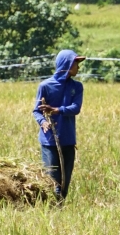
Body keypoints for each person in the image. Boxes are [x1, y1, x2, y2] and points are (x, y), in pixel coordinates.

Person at [32, 49, 86, 200]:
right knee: (52, 180)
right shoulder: (45, 86)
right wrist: (43, 122)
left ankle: (60, 207)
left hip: (68, 139)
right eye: (76, 63)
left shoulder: (77, 87)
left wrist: (56, 110)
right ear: (67, 65)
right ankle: (52, 209)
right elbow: (36, 111)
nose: (78, 67)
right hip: (49, 141)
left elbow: (76, 108)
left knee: (64, 182)